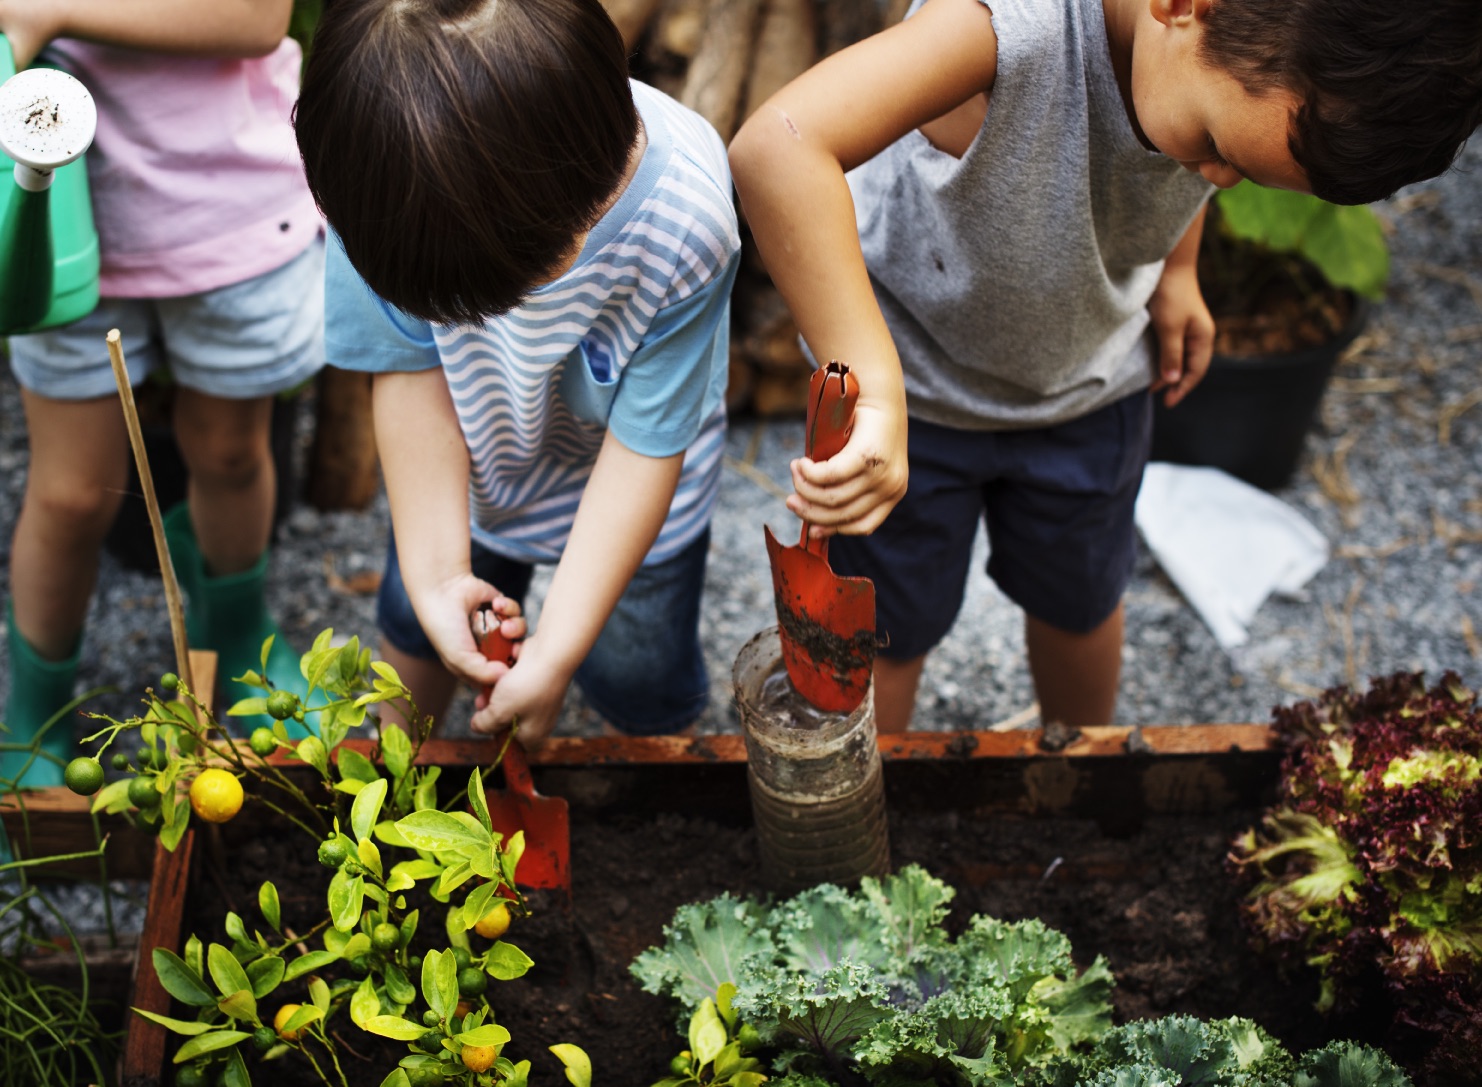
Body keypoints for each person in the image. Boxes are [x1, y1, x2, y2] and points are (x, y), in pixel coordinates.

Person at [729, 0, 1482, 733]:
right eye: (1216, 146)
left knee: (1081, 606)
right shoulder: (999, 30)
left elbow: (1177, 165)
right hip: (914, 403)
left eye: (1242, 173)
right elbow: (779, 148)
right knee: (884, 634)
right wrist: (874, 382)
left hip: (1092, 387)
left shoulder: (1208, 56)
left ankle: (1076, 782)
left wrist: (1178, 272)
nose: (1215, 179)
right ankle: (869, 826)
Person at [293, 0, 740, 746]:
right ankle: (396, 779)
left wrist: (557, 648)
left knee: (637, 670)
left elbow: (644, 446)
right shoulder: (376, 176)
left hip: (632, 486)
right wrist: (438, 575)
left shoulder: (686, 221)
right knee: (417, 624)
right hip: (468, 469)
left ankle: (645, 770)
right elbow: (409, 370)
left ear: (578, 215)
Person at [0, 0, 323, 785]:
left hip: (224, 203)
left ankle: (238, 628)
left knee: (231, 450)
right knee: (72, 493)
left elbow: (256, 19)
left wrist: (49, 10)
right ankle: (35, 709)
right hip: (57, 213)